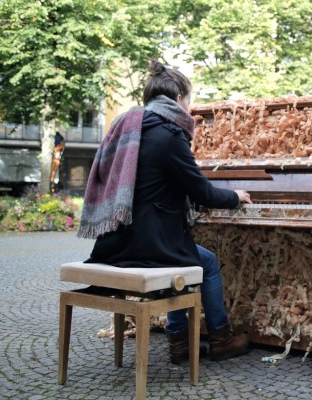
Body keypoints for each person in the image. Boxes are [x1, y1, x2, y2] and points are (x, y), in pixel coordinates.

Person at [78, 59, 251, 363]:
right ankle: (221, 338)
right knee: (205, 263)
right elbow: (203, 192)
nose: (189, 107)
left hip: (117, 241)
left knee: (180, 255)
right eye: (189, 99)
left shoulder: (130, 126)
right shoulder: (169, 134)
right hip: (148, 243)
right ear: (179, 97)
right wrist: (236, 196)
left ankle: (180, 342)